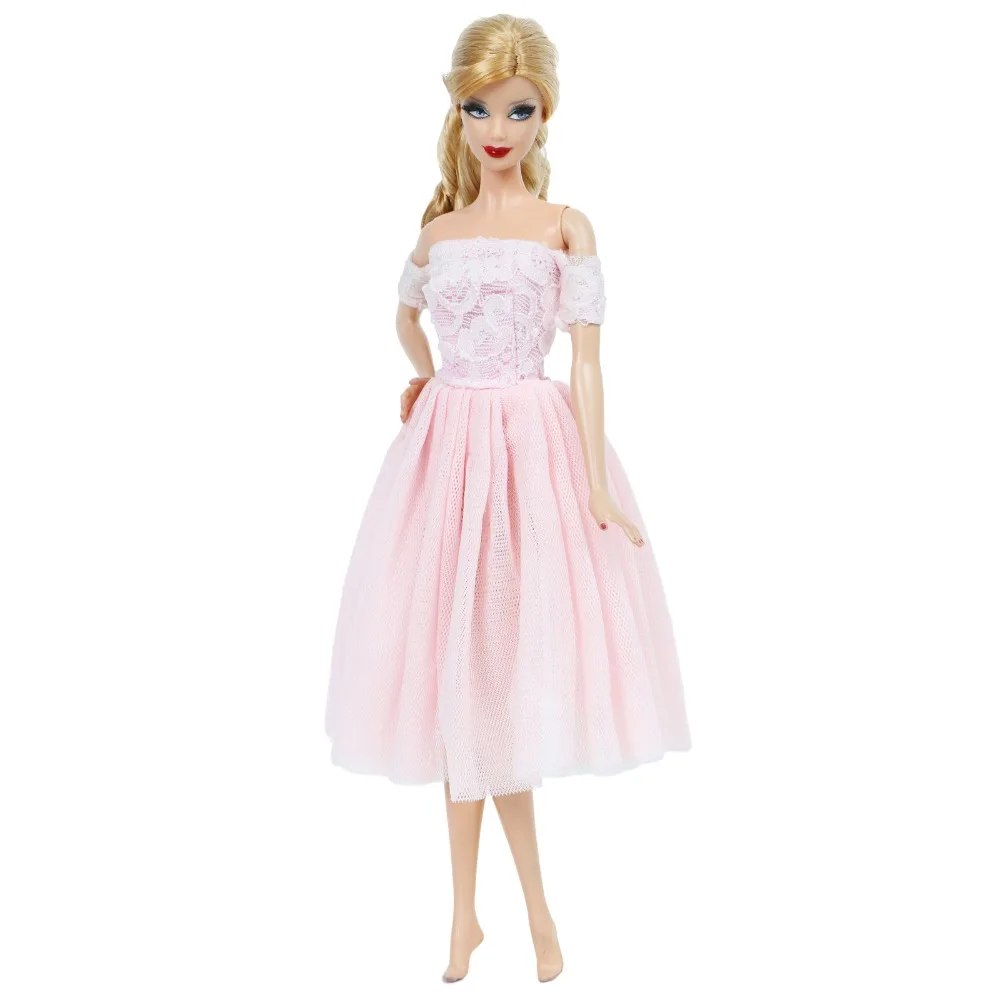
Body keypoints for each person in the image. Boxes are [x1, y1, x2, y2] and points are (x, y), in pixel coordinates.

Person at [324, 14, 692, 984]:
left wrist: (596, 482)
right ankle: (474, 918)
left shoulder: (565, 225)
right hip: (446, 454)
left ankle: (520, 914)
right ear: (456, 113)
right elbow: (404, 317)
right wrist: (422, 377)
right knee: (457, 688)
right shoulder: (437, 233)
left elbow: (590, 361)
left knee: (494, 684)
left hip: (530, 450)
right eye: (479, 109)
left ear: (545, 116)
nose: (498, 128)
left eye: (518, 110)